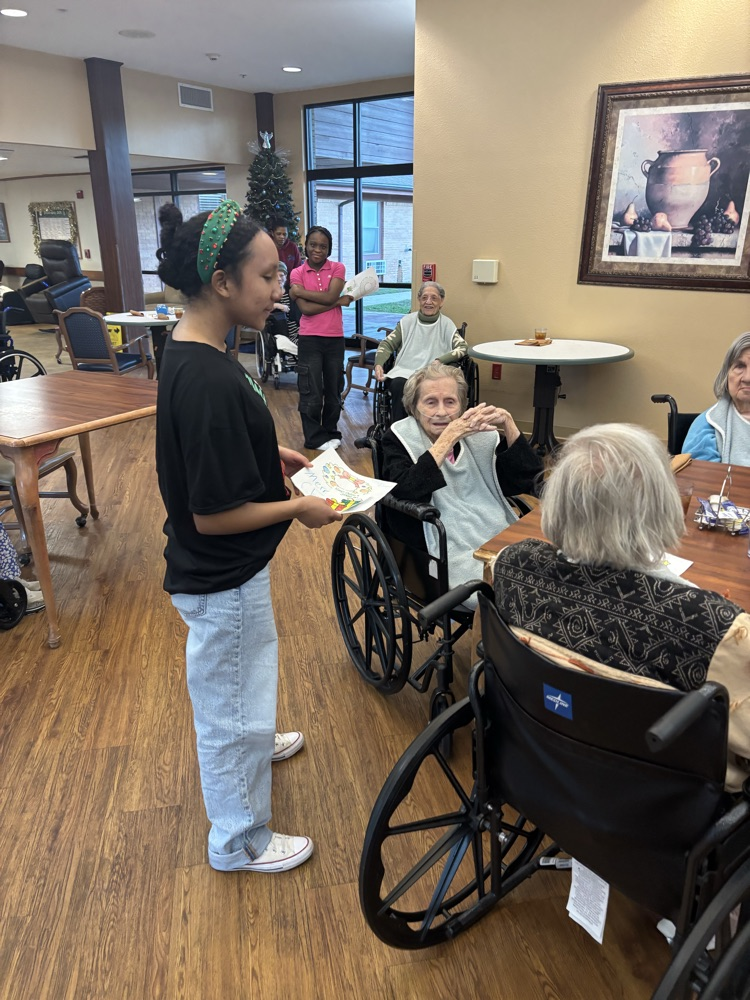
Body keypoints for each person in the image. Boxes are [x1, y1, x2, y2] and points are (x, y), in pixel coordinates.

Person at [154, 200, 343, 874]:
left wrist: (276, 461)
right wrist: (298, 510)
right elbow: (211, 514)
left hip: (233, 571)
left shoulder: (201, 349)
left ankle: (254, 736)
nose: (281, 287)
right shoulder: (204, 379)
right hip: (219, 570)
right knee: (229, 703)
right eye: (268, 276)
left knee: (248, 672)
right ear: (223, 282)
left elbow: (222, 458)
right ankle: (238, 841)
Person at [493, 422, 750, 791]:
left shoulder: (512, 563)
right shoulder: (717, 626)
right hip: (658, 805)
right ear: (660, 505)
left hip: (541, 764)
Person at [380, 361, 542, 601]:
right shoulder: (399, 438)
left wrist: (508, 423)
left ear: (462, 407)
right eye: (430, 402)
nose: (442, 412)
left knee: (544, 568)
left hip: (492, 527)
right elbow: (406, 489)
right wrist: (448, 437)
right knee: (511, 592)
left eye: (450, 402)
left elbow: (525, 477)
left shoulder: (477, 437)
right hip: (439, 541)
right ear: (414, 407)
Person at [289, 226, 351, 451]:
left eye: (323, 246)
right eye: (313, 244)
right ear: (305, 246)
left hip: (335, 339)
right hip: (309, 339)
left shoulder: (338, 268)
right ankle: (314, 438)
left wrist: (300, 292)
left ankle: (331, 432)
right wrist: (337, 301)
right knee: (311, 390)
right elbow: (305, 309)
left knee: (333, 389)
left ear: (329, 249)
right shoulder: (296, 272)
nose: (317, 249)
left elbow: (330, 295)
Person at [374, 282, 469, 421]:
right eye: (424, 298)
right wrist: (378, 364)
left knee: (436, 388)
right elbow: (387, 344)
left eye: (434, 298)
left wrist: (440, 360)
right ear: (419, 299)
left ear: (441, 301)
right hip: (405, 371)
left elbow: (463, 347)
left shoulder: (447, 324)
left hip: (433, 373)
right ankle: (399, 432)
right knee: (398, 384)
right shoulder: (407, 322)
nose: (428, 302)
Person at [682, 332, 750, 463]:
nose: (748, 378)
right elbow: (702, 480)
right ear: (726, 374)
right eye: (740, 366)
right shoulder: (708, 425)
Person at [268, 216, 302, 281]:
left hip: (290, 284)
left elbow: (298, 269)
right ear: (272, 233)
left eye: (284, 234)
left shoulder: (293, 247)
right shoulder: (267, 246)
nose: (282, 237)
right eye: (278, 234)